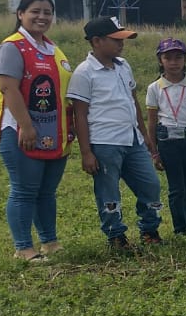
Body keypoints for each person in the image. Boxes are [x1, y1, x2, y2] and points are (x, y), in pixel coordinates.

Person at [70, 16, 164, 251]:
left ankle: (150, 228)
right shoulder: (85, 73)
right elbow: (79, 114)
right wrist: (86, 152)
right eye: (116, 40)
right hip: (104, 141)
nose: (121, 44)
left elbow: (133, 102)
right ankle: (115, 236)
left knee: (151, 185)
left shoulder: (123, 66)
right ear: (96, 41)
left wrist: (144, 134)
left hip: (131, 137)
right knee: (108, 191)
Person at [0, 0, 72, 262]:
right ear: (20, 14)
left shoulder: (52, 48)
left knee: (46, 191)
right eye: (35, 11)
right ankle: (24, 248)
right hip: (20, 131)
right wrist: (26, 126)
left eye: (47, 12)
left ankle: (49, 241)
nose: (42, 17)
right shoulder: (12, 47)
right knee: (24, 189)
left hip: (53, 133)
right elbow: (8, 88)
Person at [145, 37, 186, 237]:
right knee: (176, 188)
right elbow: (152, 122)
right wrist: (154, 152)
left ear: (185, 60)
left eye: (178, 57)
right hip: (167, 140)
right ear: (160, 60)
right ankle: (180, 229)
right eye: (168, 57)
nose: (173, 62)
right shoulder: (155, 88)